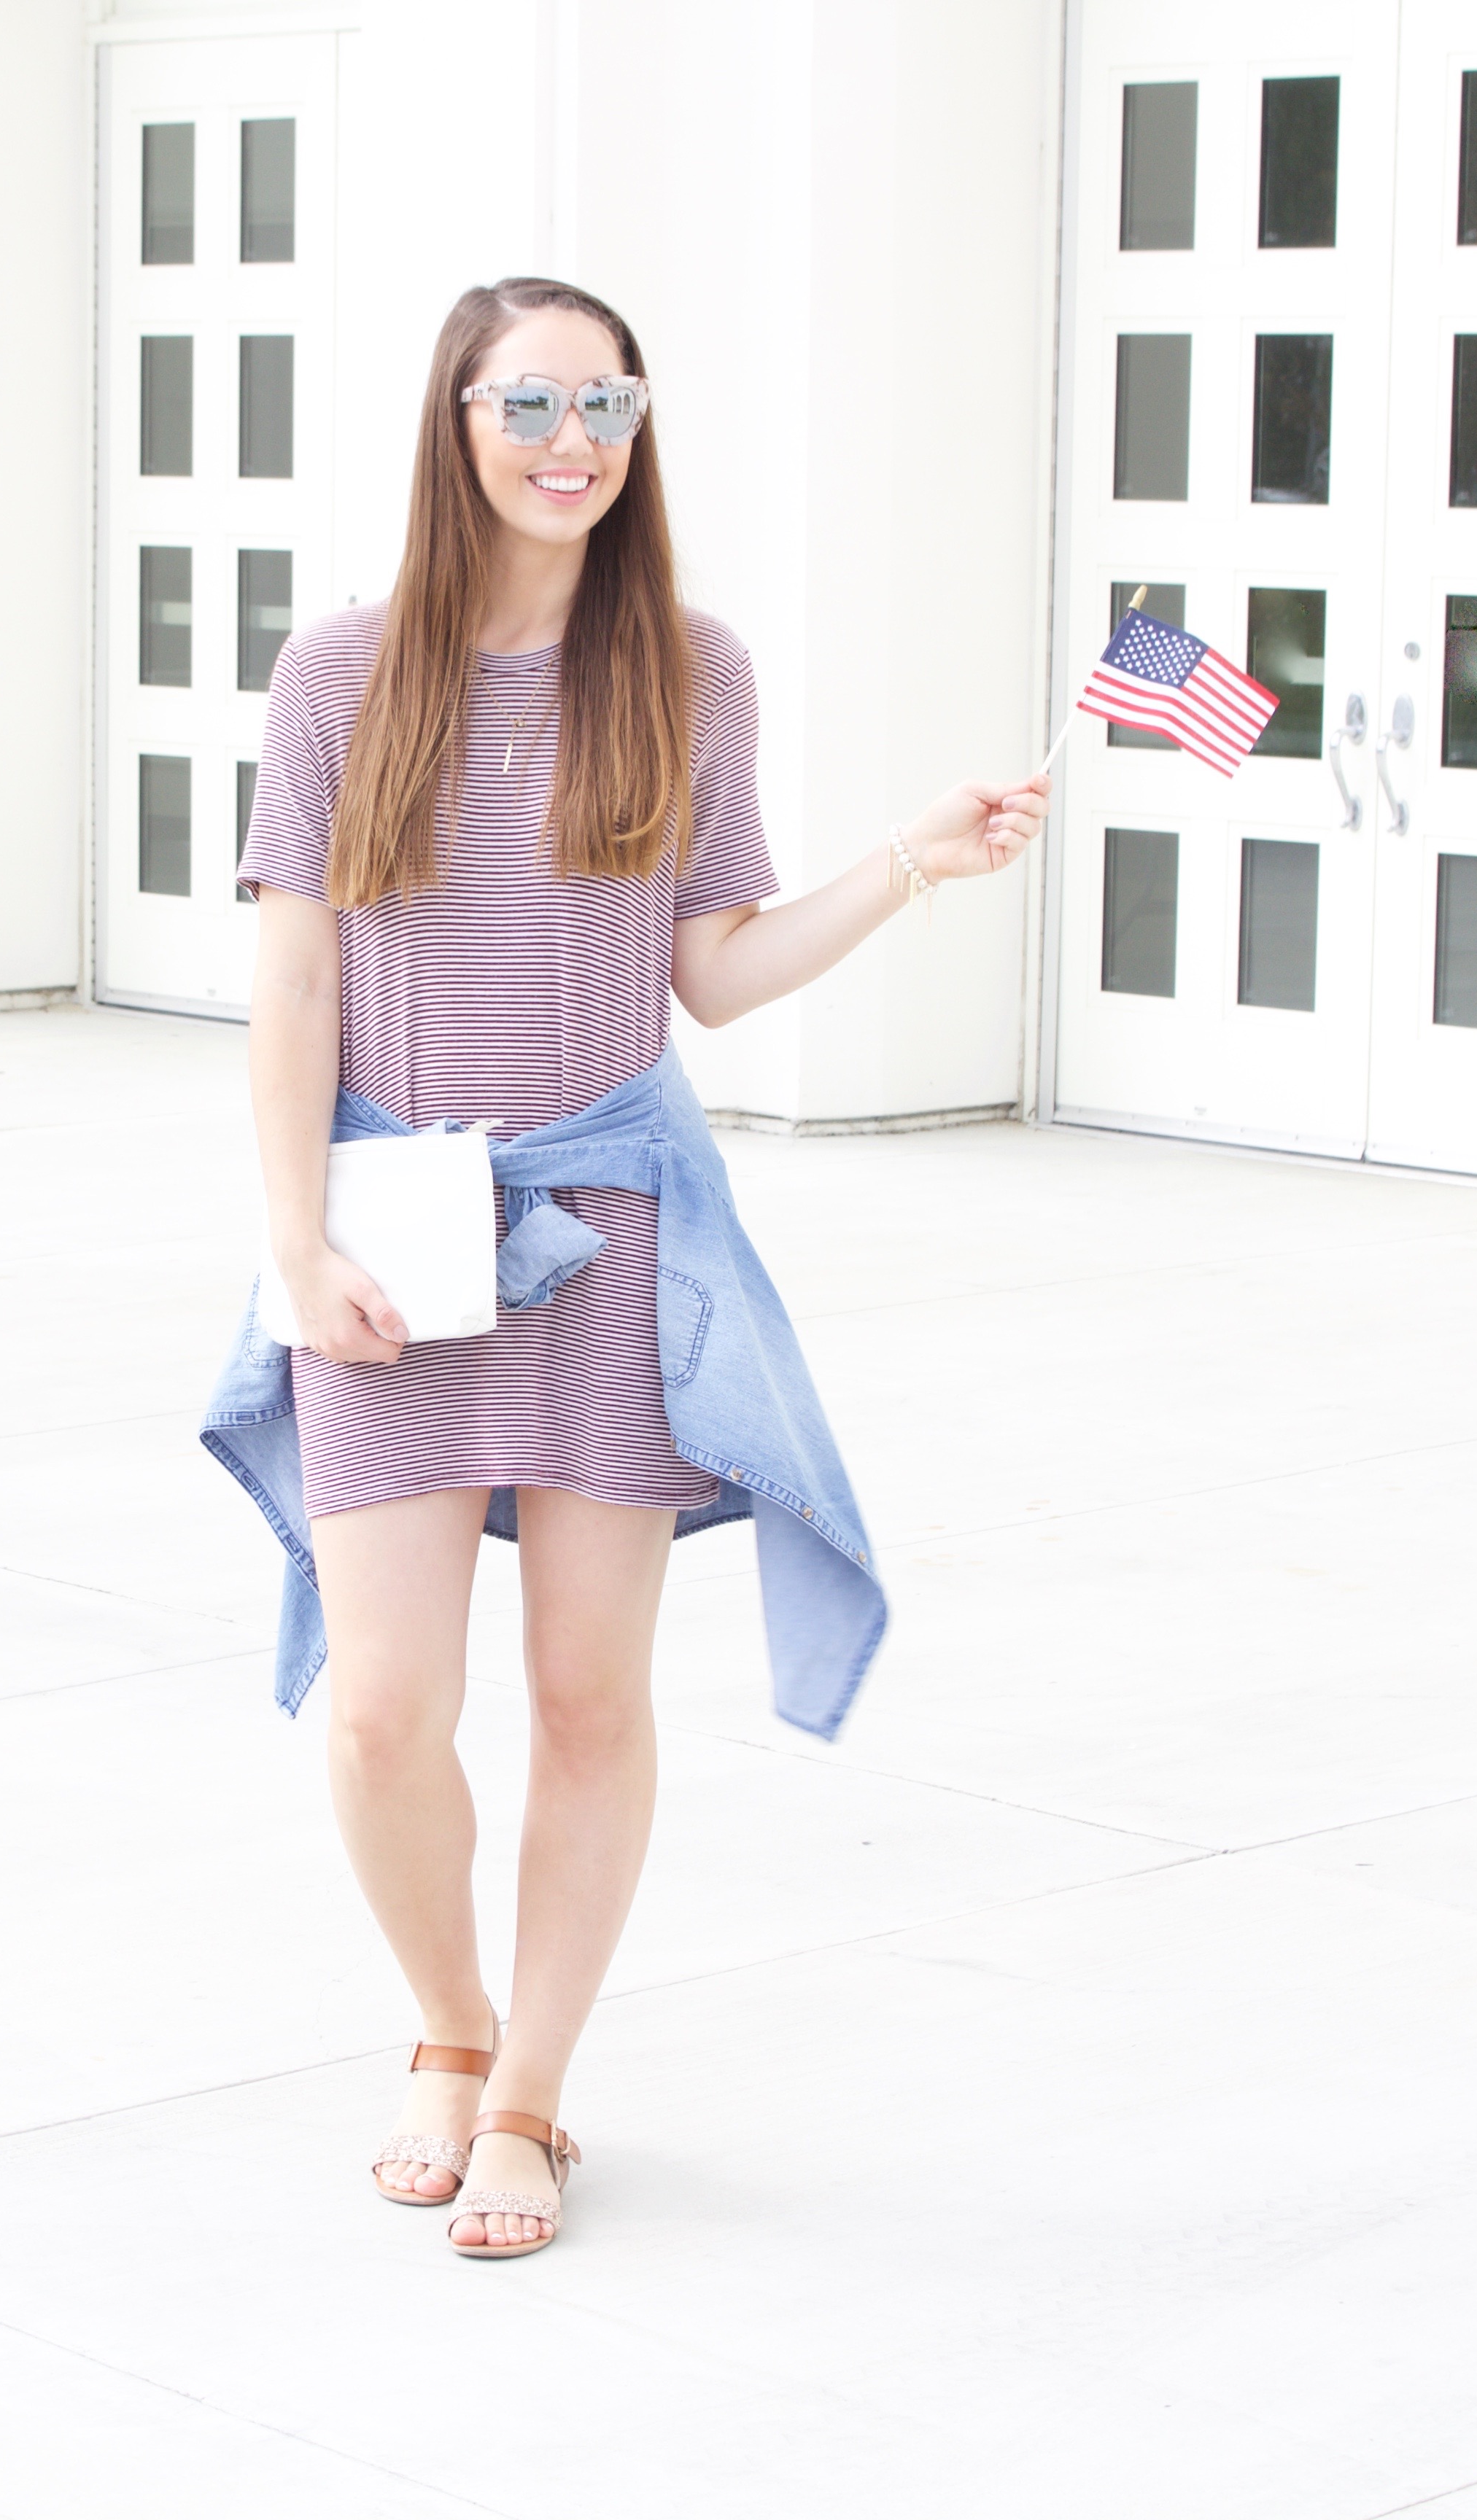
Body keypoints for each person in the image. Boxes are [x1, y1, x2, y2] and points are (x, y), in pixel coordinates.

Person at [207, 276, 1038, 2260]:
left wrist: (910, 859)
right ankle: (442, 2025)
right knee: (385, 1710)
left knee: (588, 1696)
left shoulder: (690, 666)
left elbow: (715, 974)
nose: (571, 439)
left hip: (617, 1228)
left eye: (607, 402)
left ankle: (530, 2095)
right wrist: (297, 1239)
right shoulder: (341, 672)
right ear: (458, 418)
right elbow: (299, 969)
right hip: (396, 1233)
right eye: (532, 401)